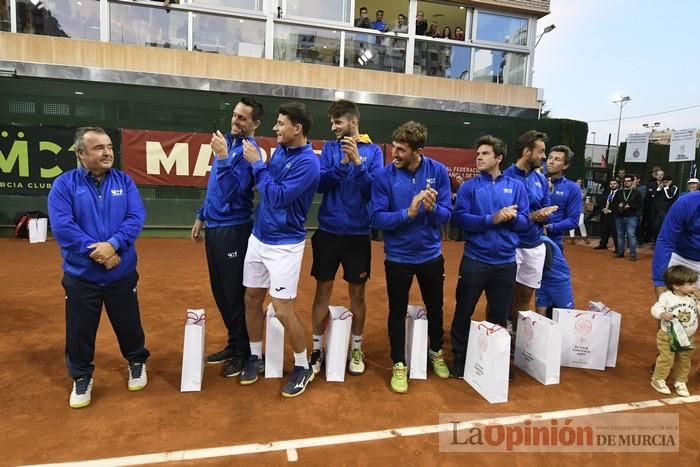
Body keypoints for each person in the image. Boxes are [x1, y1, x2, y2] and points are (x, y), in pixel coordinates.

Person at [48, 127, 148, 409]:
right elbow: (64, 228)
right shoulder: (64, 185)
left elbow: (135, 217)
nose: (107, 153)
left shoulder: (124, 182)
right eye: (98, 148)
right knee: (80, 330)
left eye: (109, 147)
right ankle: (81, 377)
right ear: (81, 154)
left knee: (129, 323)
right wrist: (101, 253)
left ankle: (137, 361)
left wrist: (114, 244)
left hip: (121, 271)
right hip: (82, 276)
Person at [239, 102, 320, 398]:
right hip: (258, 238)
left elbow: (276, 196)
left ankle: (302, 366)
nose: (275, 128)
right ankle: (256, 357)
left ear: (296, 128)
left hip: (285, 246)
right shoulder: (282, 151)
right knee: (251, 298)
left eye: (281, 123)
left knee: (283, 309)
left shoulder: (309, 163)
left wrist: (257, 164)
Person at [370, 121, 452, 393]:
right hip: (398, 258)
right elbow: (377, 218)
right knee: (397, 311)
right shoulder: (384, 177)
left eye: (401, 150)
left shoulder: (438, 171)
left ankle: (436, 351)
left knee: (435, 307)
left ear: (418, 151)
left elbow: (446, 215)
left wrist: (432, 209)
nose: (394, 154)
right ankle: (398, 364)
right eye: (394, 147)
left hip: (430, 255)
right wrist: (410, 212)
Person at [309, 100, 383, 376]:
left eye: (338, 122)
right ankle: (317, 348)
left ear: (352, 122)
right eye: (332, 123)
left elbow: (373, 190)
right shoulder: (328, 149)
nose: (334, 127)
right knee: (322, 291)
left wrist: (357, 164)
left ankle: (356, 348)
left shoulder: (374, 152)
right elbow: (320, 184)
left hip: (357, 235)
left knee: (357, 295)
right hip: (328, 231)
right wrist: (342, 163)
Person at [191, 97, 263, 377]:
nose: (235, 121)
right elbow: (215, 187)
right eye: (234, 115)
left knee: (235, 294)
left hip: (235, 230)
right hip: (215, 227)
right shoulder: (228, 145)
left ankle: (245, 352)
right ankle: (234, 343)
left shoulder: (248, 152)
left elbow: (235, 191)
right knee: (220, 291)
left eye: (242, 118)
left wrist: (222, 158)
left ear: (255, 124)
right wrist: (201, 214)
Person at [449, 135, 528, 377]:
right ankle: (460, 358)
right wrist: (492, 218)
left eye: (485, 154)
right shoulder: (469, 187)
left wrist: (513, 217)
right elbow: (459, 219)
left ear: (499, 158)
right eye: (478, 154)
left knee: (499, 314)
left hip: (505, 263)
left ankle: (497, 360)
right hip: (475, 260)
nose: (479, 157)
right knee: (464, 310)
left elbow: (525, 221)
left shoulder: (516, 187)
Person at [503, 130, 558, 321]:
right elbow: (506, 215)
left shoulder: (541, 179)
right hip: (511, 247)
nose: (544, 157)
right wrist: (534, 216)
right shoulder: (506, 177)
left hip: (535, 246)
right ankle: (501, 336)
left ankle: (519, 341)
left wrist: (545, 215)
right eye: (541, 151)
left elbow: (547, 210)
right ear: (527, 151)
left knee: (525, 298)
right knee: (503, 298)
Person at [650, 265, 698, 398]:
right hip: (668, 335)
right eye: (689, 284)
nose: (693, 286)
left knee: (684, 360)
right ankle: (658, 380)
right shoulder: (667, 297)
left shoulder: (693, 297)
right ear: (676, 286)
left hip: (687, 337)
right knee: (666, 358)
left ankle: (681, 381)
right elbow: (655, 308)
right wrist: (662, 314)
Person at [542, 145, 580, 251]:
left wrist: (550, 227)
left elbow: (573, 220)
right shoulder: (534, 182)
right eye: (550, 158)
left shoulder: (572, 188)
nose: (551, 162)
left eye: (557, 159)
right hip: (528, 241)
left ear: (565, 165)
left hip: (554, 243)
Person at [535, 236, 575, 317]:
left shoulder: (545, 242)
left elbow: (546, 265)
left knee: (567, 314)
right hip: (542, 281)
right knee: (540, 311)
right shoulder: (529, 241)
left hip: (559, 281)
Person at [611, 175, 643, 261]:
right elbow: (613, 204)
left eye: (628, 181)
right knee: (620, 235)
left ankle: (633, 254)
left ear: (632, 182)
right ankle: (620, 252)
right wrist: (619, 206)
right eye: (625, 181)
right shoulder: (619, 192)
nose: (626, 182)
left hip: (631, 216)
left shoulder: (636, 193)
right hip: (619, 216)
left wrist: (630, 206)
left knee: (631, 235)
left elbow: (640, 205)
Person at [651, 175, 679, 245]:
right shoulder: (662, 188)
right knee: (656, 227)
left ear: (670, 181)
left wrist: (666, 188)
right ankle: (655, 241)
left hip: (668, 211)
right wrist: (658, 189)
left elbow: (669, 196)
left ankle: (667, 242)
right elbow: (654, 196)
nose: (664, 183)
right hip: (659, 211)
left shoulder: (674, 187)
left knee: (666, 227)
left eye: (666, 182)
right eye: (663, 182)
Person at [593, 178, 619, 251]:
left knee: (615, 232)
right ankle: (603, 244)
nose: (612, 185)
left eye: (614, 184)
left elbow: (619, 205)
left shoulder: (620, 193)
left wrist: (611, 211)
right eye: (611, 184)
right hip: (604, 214)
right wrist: (603, 209)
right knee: (604, 230)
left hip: (614, 215)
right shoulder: (606, 192)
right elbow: (601, 202)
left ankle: (618, 248)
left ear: (617, 184)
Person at [568, 178, 589, 245]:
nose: (578, 183)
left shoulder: (584, 190)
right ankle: (572, 238)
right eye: (577, 182)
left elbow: (581, 197)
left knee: (580, 223)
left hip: (581, 208)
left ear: (582, 183)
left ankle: (585, 237)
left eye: (580, 182)